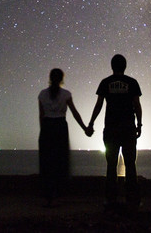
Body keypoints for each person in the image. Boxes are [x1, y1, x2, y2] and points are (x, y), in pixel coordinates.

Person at [87, 54, 142, 209]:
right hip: (128, 128)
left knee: (111, 164)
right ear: (125, 66)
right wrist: (140, 124)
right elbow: (137, 105)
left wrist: (91, 123)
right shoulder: (132, 83)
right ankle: (132, 199)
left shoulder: (105, 83)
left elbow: (98, 105)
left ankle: (110, 199)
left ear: (112, 66)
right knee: (130, 164)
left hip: (111, 129)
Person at [38, 68, 90, 205]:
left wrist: (42, 133)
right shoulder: (66, 94)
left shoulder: (42, 94)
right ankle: (57, 192)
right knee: (60, 160)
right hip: (60, 127)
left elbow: (41, 116)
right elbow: (74, 113)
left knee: (47, 161)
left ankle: (48, 194)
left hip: (47, 128)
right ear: (62, 79)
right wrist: (85, 128)